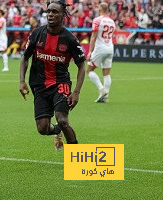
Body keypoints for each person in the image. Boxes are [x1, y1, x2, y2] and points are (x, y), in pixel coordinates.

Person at [19, 1, 86, 151]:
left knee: (62, 119)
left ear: (63, 15)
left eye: (55, 12)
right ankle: (57, 131)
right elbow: (25, 57)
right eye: (49, 11)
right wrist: (22, 81)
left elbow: (81, 66)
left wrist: (76, 92)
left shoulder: (70, 39)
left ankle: (76, 160)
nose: (50, 14)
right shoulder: (37, 34)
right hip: (40, 85)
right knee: (43, 128)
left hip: (60, 84)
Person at [86, 2, 115, 103]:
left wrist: (90, 51)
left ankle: (102, 90)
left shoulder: (97, 20)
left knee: (89, 70)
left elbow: (93, 36)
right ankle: (106, 96)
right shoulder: (112, 21)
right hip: (110, 48)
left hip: (100, 48)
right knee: (106, 73)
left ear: (100, 9)